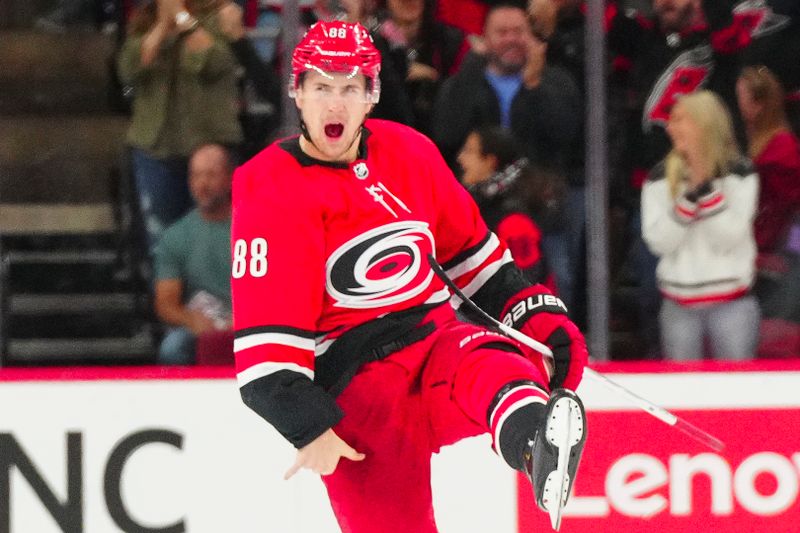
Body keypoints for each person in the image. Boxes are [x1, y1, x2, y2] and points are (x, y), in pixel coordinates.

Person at [231, 20, 588, 532]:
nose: (336, 104)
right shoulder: (270, 189)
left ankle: (538, 445)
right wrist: (309, 427)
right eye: (322, 88)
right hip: (359, 393)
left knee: (494, 361)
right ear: (298, 93)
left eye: (350, 88)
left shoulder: (409, 152)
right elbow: (265, 347)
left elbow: (472, 255)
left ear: (371, 94)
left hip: (433, 344)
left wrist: (534, 318)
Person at [432, 3, 583, 311]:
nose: (511, 39)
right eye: (501, 33)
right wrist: (471, 69)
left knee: (559, 279)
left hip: (543, 209)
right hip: (480, 213)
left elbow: (567, 135)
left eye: (519, 31)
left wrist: (534, 86)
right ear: (483, 40)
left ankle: (558, 348)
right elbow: (446, 134)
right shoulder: (464, 84)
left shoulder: (555, 81)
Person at [642, 91, 760, 361]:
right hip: (678, 305)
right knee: (682, 394)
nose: (670, 127)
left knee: (737, 391)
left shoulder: (740, 173)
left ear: (703, 123)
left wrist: (705, 190)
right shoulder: (659, 178)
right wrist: (688, 199)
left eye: (679, 119)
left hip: (732, 303)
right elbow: (659, 242)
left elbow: (729, 238)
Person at [117, 0, 243, 251]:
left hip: (209, 145)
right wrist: (164, 24)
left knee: (217, 236)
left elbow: (212, 61)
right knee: (162, 240)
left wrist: (182, 17)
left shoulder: (221, 15)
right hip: (155, 145)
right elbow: (129, 69)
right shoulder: (145, 21)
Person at [154, 144, 234, 365]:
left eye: (210, 175)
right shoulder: (175, 236)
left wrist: (247, 319)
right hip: (200, 327)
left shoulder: (256, 228)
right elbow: (165, 303)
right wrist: (192, 320)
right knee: (173, 347)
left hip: (251, 323)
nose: (202, 184)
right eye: (196, 175)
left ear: (229, 178)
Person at [457, 126, 556, 289]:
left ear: (491, 161)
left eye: (469, 151)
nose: (460, 158)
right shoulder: (478, 204)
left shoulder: (514, 221)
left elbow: (524, 285)